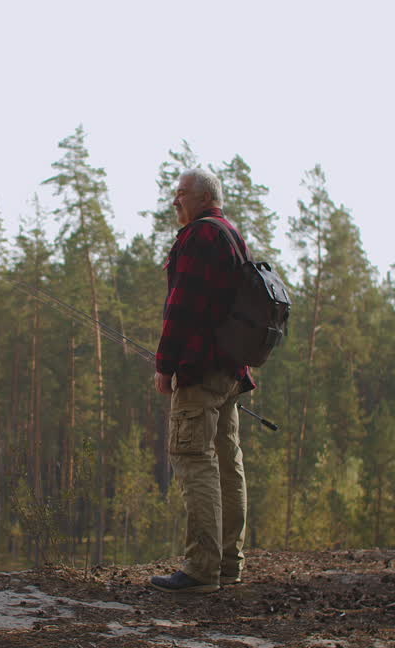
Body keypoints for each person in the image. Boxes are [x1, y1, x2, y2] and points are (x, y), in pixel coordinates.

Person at [149, 168, 254, 593]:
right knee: (228, 462)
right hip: (231, 371)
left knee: (194, 459)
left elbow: (182, 308)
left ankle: (201, 569)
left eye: (181, 194)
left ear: (204, 197)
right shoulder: (232, 235)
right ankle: (229, 565)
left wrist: (165, 364)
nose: (175, 202)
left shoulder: (197, 238)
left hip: (200, 370)